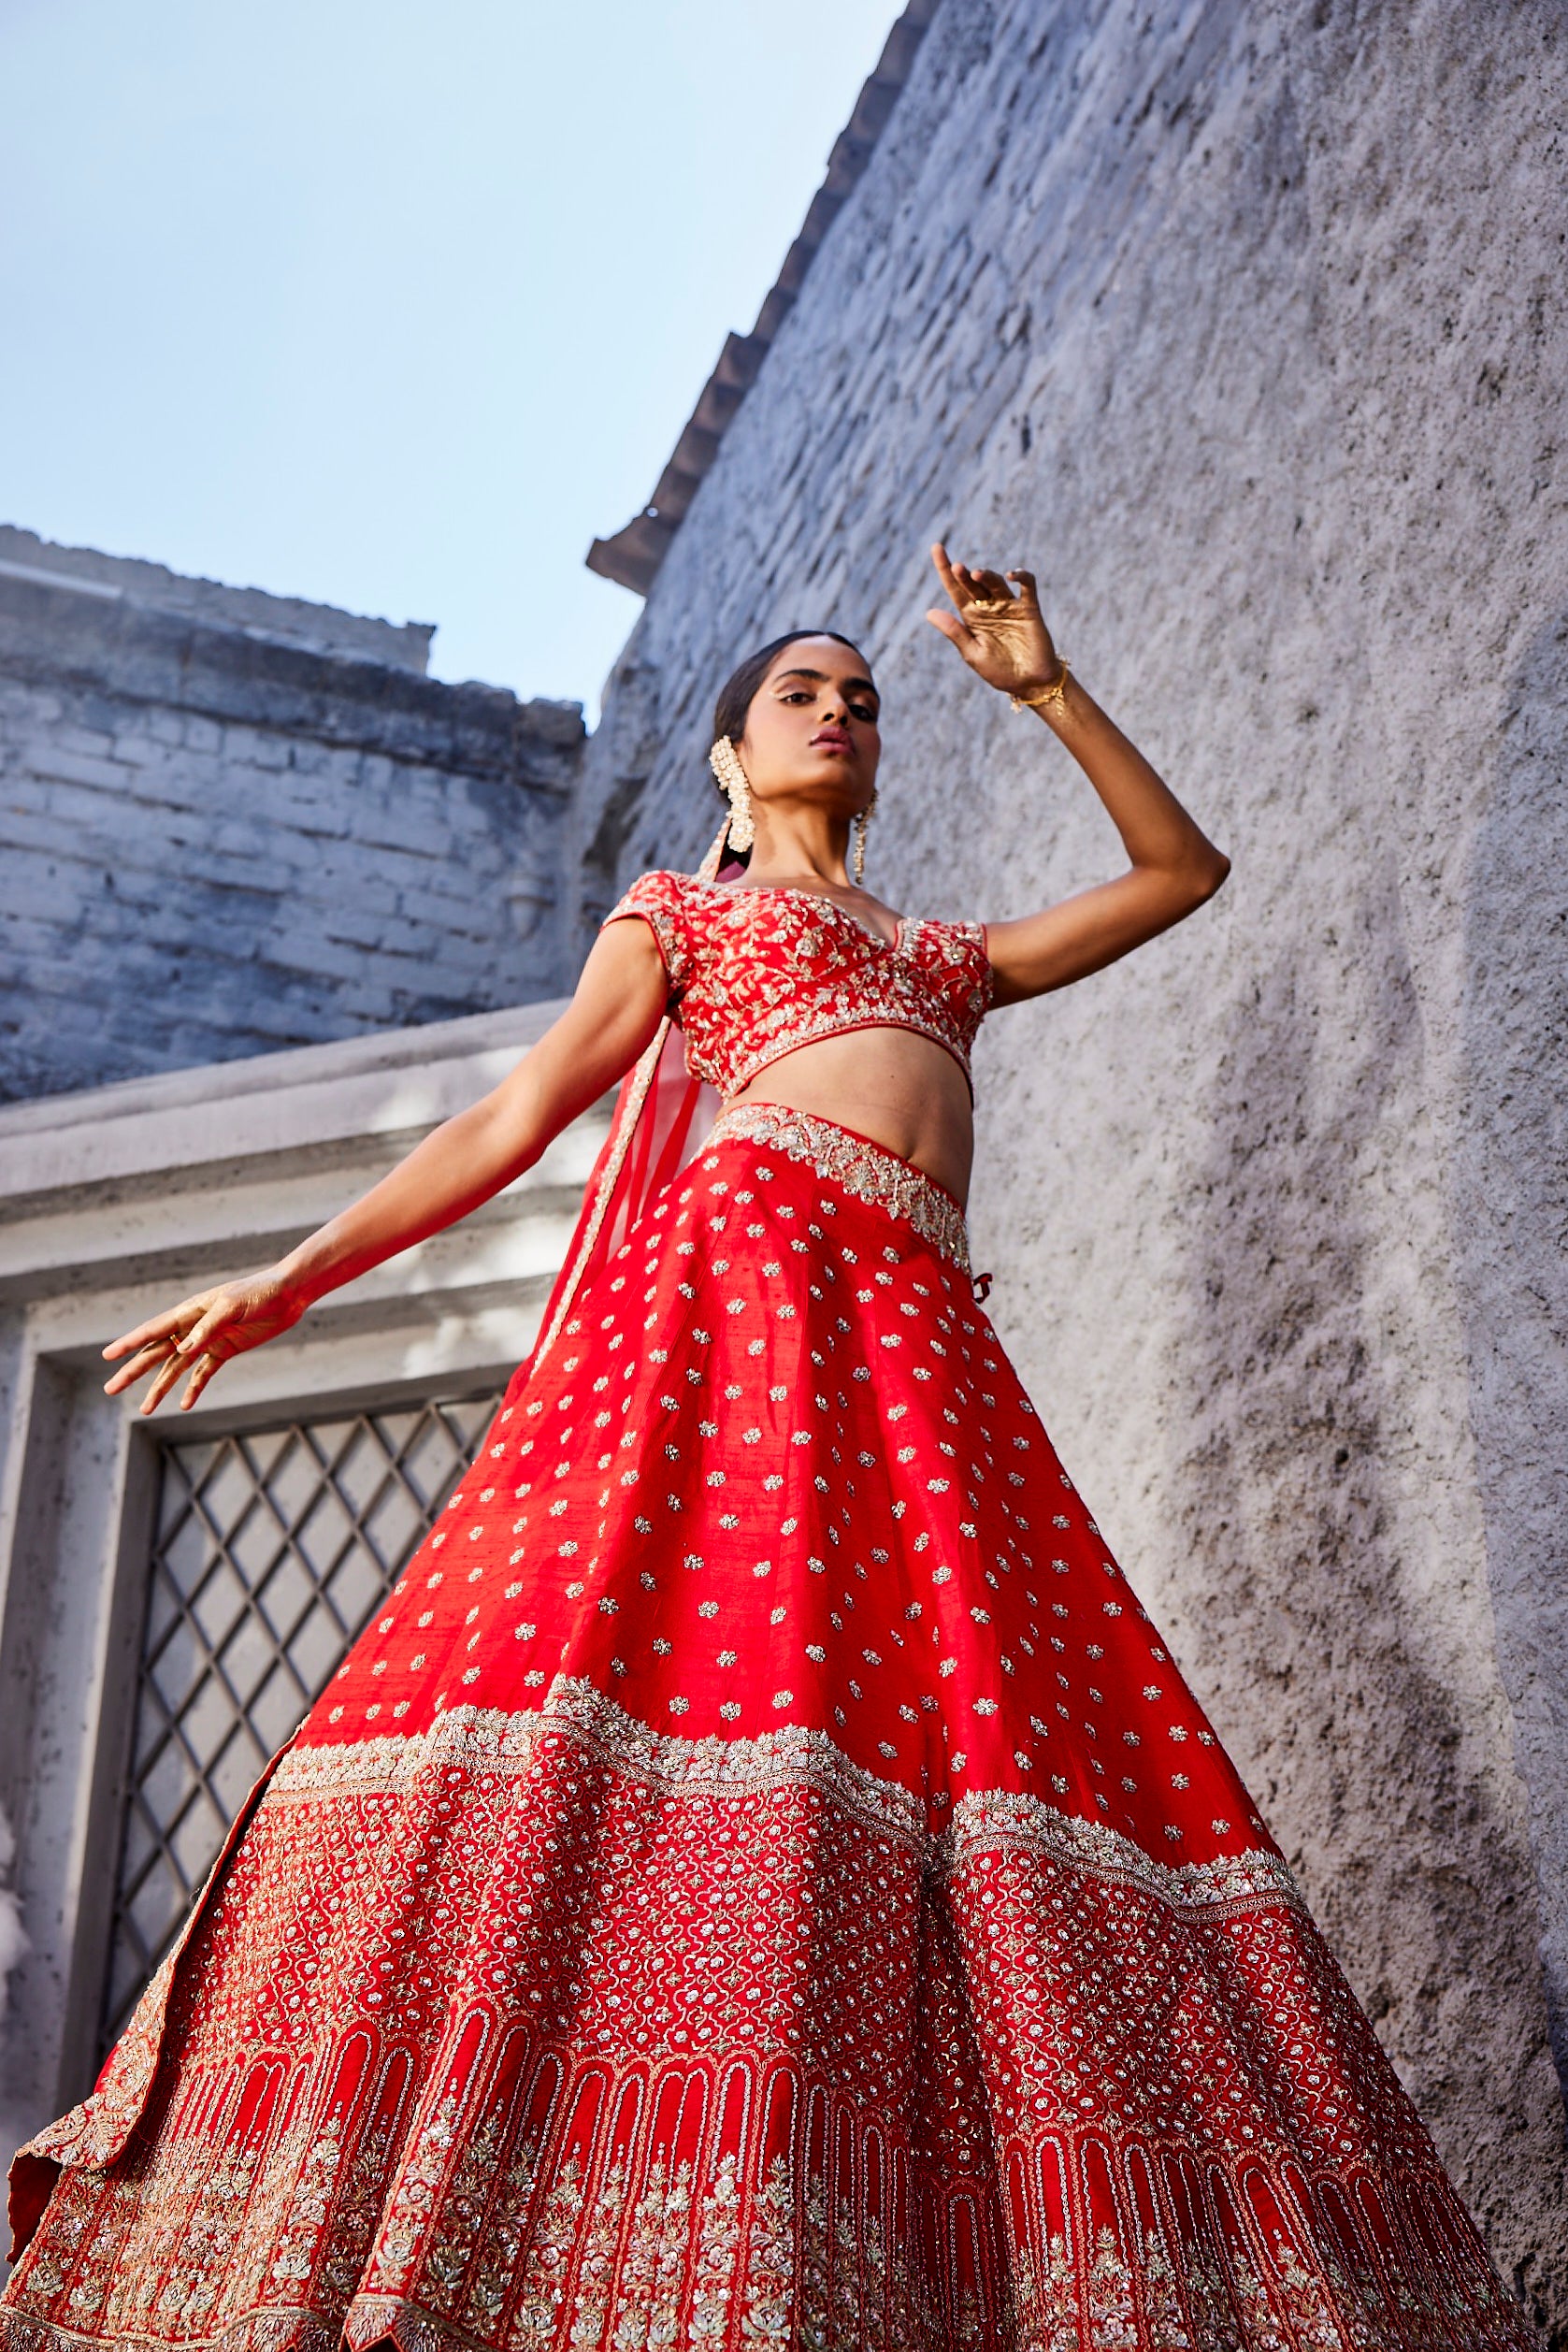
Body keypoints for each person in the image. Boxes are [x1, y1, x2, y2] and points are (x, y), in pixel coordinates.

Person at [1, 550, 1525, 2351]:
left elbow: (1175, 875)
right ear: (729, 759)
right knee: (716, 1688)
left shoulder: (941, 958)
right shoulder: (681, 914)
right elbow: (523, 1103)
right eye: (801, 691)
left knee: (961, 1726)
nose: (838, 710)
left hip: (919, 1346)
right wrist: (289, 1285)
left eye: (862, 697)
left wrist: (1043, 688)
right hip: (751, 1296)